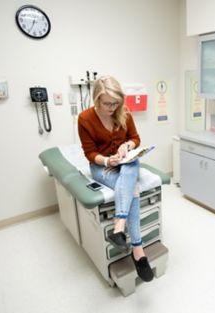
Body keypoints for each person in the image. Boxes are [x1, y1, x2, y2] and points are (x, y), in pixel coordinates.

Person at [77, 75, 153, 282]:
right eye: (107, 103)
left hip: (125, 163)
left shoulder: (124, 113)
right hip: (102, 167)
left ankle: (119, 227)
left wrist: (126, 146)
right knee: (133, 188)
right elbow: (90, 153)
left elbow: (135, 139)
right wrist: (107, 161)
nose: (112, 107)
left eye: (116, 103)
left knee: (132, 163)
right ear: (96, 100)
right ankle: (138, 252)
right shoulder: (84, 119)